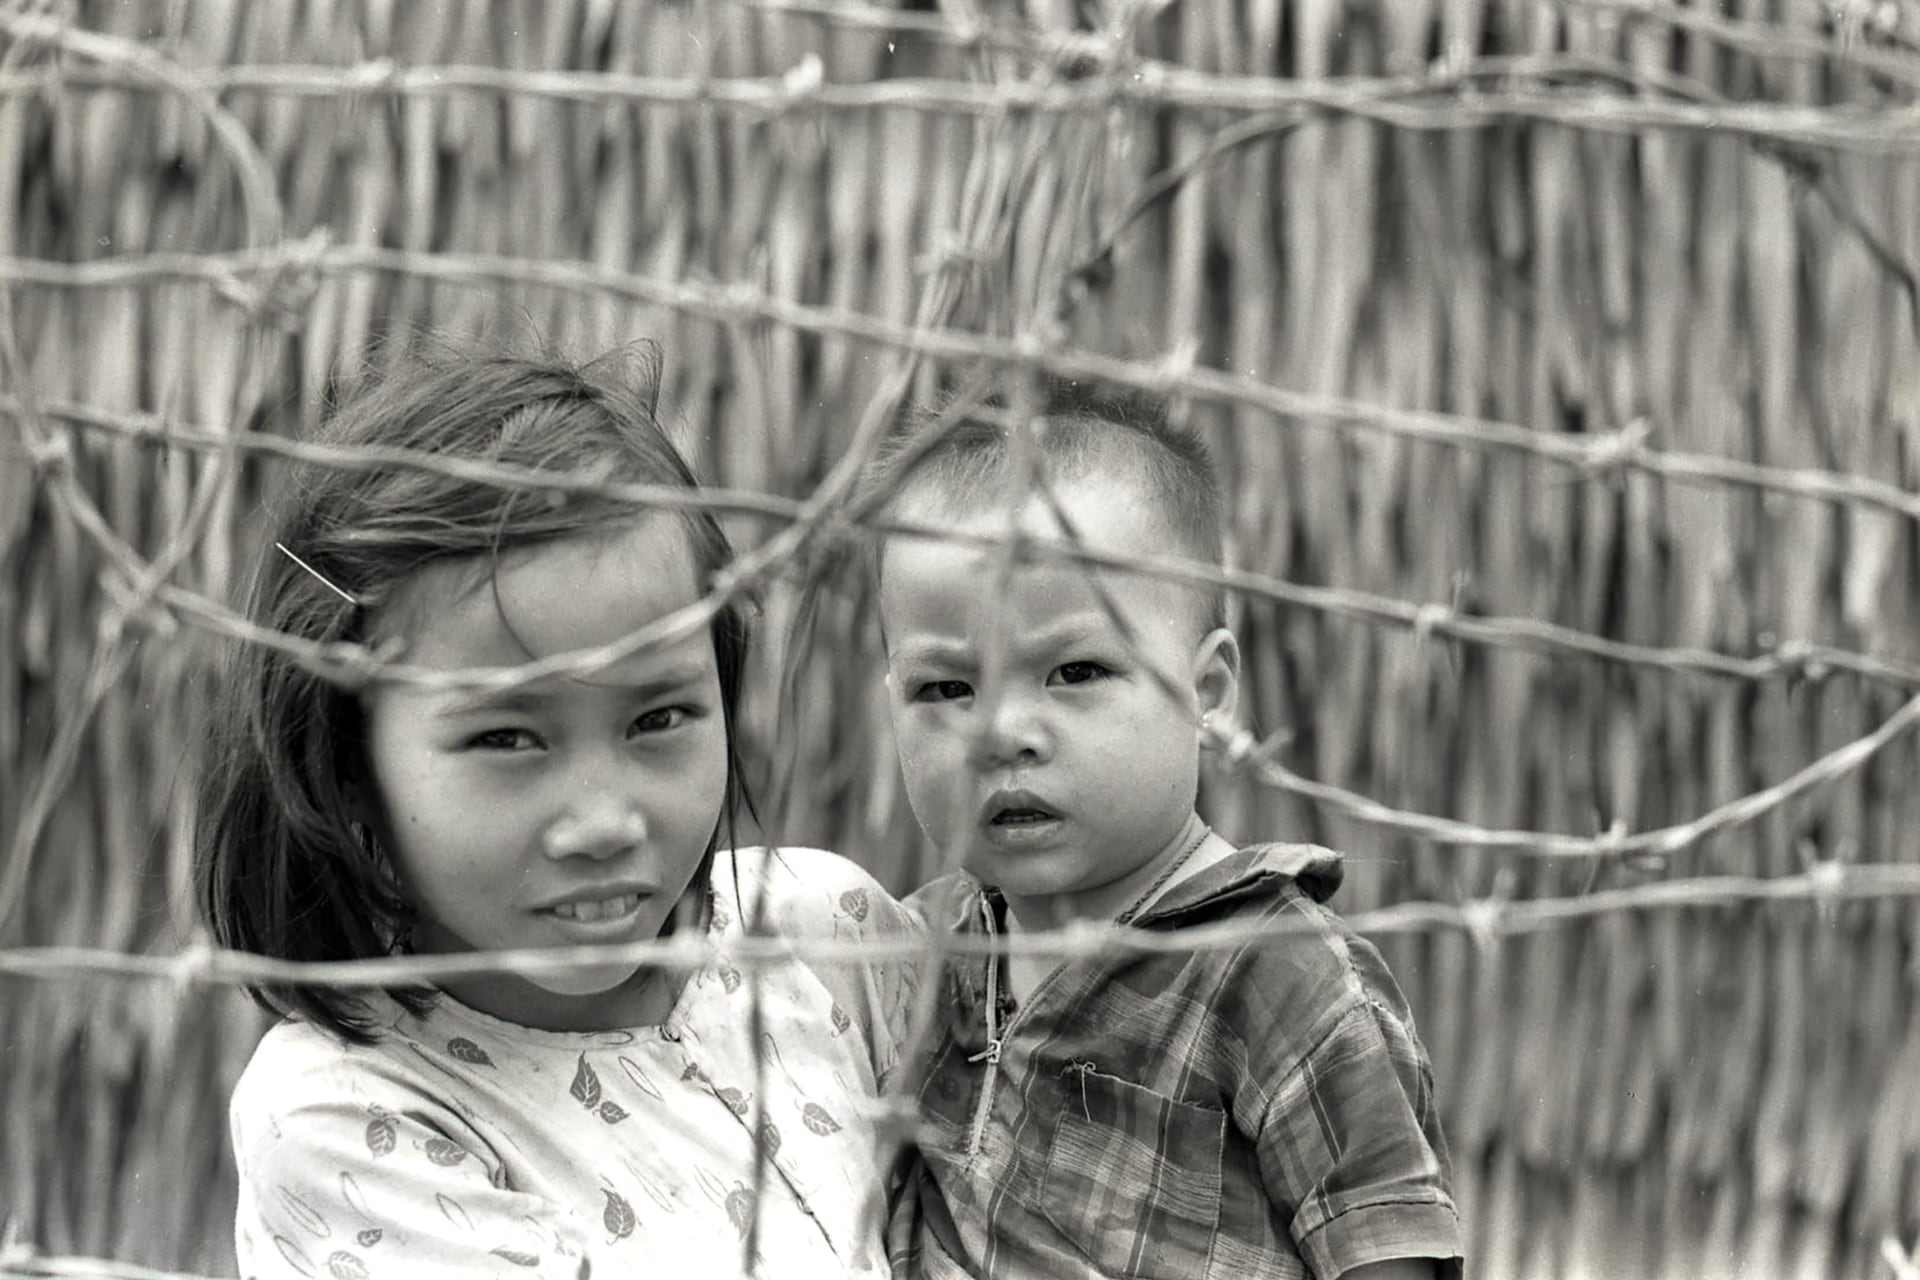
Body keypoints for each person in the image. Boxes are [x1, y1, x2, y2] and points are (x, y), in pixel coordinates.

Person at [195, 344, 919, 1279]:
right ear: (345, 766)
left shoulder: (824, 933)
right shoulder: (353, 1115)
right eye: (508, 739)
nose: (605, 822)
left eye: (659, 717)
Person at [869, 382, 1463, 1279]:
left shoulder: (1276, 975)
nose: (1001, 733)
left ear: (1210, 694)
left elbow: (1384, 1261)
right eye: (945, 689)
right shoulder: (919, 953)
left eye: (1075, 670)